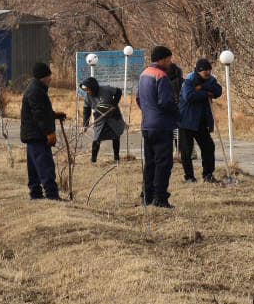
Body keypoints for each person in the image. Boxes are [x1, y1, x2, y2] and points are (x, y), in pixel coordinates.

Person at [135, 46, 179, 207]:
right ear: (163, 59)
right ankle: (160, 198)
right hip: (162, 126)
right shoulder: (162, 76)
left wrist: (148, 112)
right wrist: (177, 113)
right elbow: (166, 102)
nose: (170, 62)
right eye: (169, 58)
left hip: (147, 125)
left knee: (150, 163)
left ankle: (147, 196)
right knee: (164, 163)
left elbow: (139, 99)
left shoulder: (143, 74)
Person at [19, 62, 67, 200]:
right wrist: (49, 133)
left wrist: (55, 115)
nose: (50, 78)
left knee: (34, 168)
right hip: (37, 135)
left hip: (33, 135)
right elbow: (39, 115)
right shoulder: (36, 91)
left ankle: (36, 195)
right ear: (42, 77)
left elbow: (43, 111)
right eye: (48, 75)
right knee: (45, 166)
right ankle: (52, 196)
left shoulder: (36, 89)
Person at [178, 59, 223, 182]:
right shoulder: (189, 81)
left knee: (208, 147)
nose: (208, 72)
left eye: (209, 69)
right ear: (198, 71)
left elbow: (218, 91)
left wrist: (202, 88)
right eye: (205, 70)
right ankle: (189, 177)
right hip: (186, 120)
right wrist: (206, 93)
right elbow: (189, 96)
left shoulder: (211, 79)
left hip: (202, 121)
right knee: (187, 151)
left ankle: (208, 175)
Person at [79, 76, 127, 163]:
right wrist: (85, 125)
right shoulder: (88, 96)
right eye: (86, 90)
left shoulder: (106, 89)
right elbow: (86, 111)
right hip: (100, 118)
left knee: (116, 136)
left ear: (93, 87)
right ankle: (93, 160)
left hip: (112, 116)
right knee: (97, 139)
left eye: (88, 89)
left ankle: (116, 158)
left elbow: (119, 91)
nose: (87, 91)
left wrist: (113, 104)